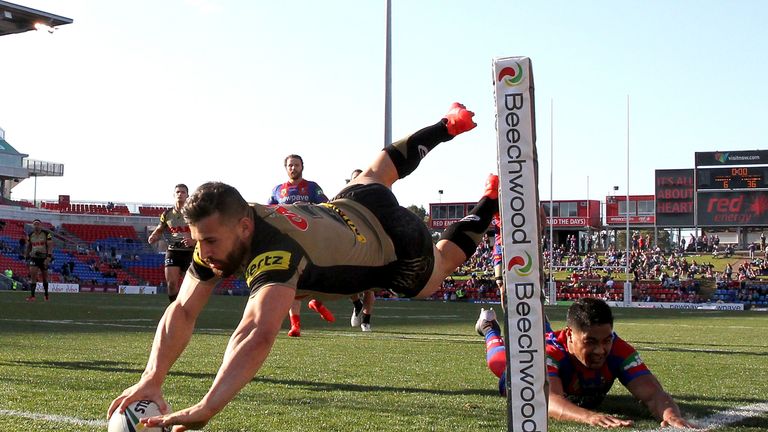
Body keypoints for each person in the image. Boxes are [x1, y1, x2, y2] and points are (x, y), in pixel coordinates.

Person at [109, 102, 494, 430]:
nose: (203, 251)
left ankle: (490, 199)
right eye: (199, 240)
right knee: (379, 169)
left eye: (209, 242)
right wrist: (151, 377)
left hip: (392, 245)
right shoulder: (228, 227)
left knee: (438, 267)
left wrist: (208, 406)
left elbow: (255, 333)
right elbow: (182, 308)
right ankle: (448, 125)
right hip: (353, 203)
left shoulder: (272, 255)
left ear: (244, 226)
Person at [475, 298, 697, 429]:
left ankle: (540, 321)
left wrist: (670, 415)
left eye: (606, 340)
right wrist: (588, 416)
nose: (600, 350)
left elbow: (653, 393)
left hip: (560, 347)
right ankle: (488, 328)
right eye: (590, 342)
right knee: (499, 360)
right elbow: (548, 401)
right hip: (527, 367)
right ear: (571, 335)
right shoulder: (548, 354)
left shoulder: (618, 348)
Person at [267, 154, 333, 337]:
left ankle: (317, 302)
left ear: (302, 167)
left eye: (296, 165)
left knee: (322, 273)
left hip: (312, 238)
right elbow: (268, 211)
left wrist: (309, 205)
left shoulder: (312, 187)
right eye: (290, 165)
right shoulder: (278, 190)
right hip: (289, 241)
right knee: (293, 280)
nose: (293, 168)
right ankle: (295, 325)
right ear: (285, 168)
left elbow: (328, 206)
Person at [148, 184, 197, 302]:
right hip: (173, 250)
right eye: (178, 192)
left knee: (190, 285)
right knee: (171, 284)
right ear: (174, 195)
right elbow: (160, 228)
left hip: (190, 252)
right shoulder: (167, 214)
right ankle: (173, 308)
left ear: (188, 196)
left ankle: (187, 308)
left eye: (183, 192)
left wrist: (194, 241)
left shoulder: (194, 213)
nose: (180, 194)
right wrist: (154, 235)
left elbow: (203, 231)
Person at [346, 168, 376, 332]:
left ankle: (366, 320)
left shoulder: (374, 198)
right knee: (347, 283)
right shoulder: (343, 197)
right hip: (350, 245)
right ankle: (357, 304)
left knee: (369, 286)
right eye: (354, 178)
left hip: (370, 246)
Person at [25, 219, 53, 301]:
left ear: (41, 225)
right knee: (33, 276)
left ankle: (46, 295)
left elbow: (50, 246)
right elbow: (29, 246)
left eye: (38, 224)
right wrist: (26, 255)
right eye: (35, 224)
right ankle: (32, 296)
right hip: (34, 257)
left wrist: (48, 257)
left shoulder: (47, 234)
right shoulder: (30, 235)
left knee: (45, 277)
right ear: (33, 226)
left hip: (43, 258)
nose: (36, 226)